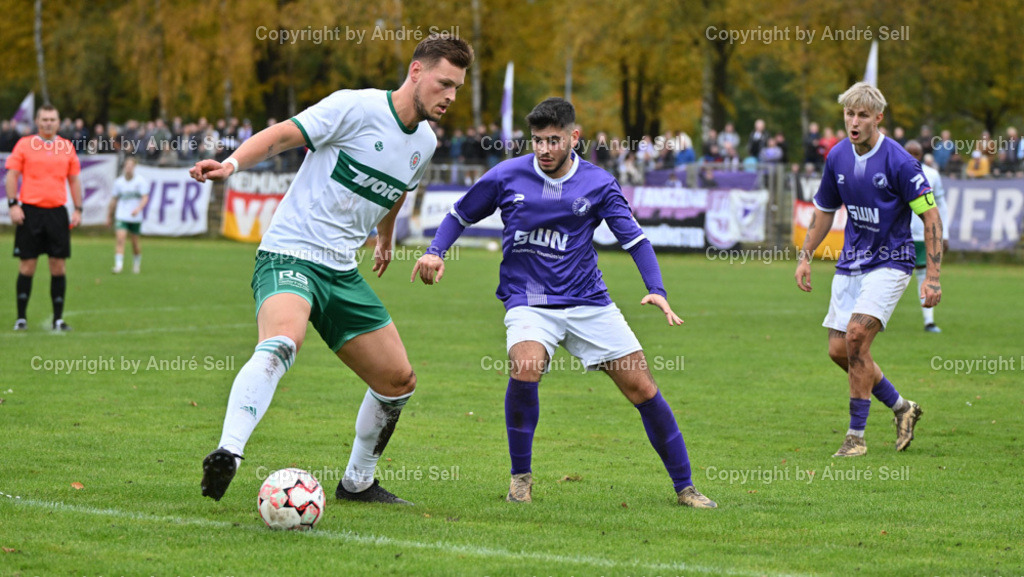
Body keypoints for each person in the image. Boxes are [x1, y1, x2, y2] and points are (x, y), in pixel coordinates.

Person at [188, 34, 474, 504]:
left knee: (397, 381)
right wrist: (232, 164)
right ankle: (229, 452)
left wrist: (385, 236)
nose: (450, 97)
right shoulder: (355, 107)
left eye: (458, 88)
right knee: (282, 342)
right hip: (291, 254)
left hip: (341, 271)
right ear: (416, 72)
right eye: (445, 83)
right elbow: (284, 134)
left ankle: (357, 483)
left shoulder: (425, 142)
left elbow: (399, 187)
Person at [412, 98, 717, 508]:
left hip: (588, 300)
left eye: (554, 140)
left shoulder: (598, 183)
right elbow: (458, 214)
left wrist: (656, 289)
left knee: (642, 388)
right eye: (538, 140)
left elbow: (636, 240)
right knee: (526, 365)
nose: (544, 149)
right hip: (529, 300)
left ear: (574, 137)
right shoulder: (507, 175)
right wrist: (436, 250)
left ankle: (686, 487)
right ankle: (521, 478)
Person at [795, 82, 941, 458]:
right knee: (839, 350)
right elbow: (825, 211)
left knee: (857, 336)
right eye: (849, 114)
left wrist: (934, 276)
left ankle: (856, 437)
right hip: (851, 263)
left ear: (878, 118)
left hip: (892, 261)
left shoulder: (900, 162)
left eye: (862, 115)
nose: (854, 121)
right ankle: (902, 407)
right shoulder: (837, 156)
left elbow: (931, 217)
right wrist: (806, 254)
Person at [5, 104, 82, 332]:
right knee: (27, 266)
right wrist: (13, 204)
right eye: (44, 119)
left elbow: (74, 180)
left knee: (58, 266)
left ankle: (58, 319)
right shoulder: (25, 144)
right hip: (30, 212)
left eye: (52, 119)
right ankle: (21, 318)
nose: (48, 123)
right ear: (37, 122)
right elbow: (12, 175)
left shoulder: (67, 147)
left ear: (58, 122)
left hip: (57, 212)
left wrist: (78, 208)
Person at [904, 141, 948, 332]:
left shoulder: (931, 174)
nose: (913, 157)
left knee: (924, 274)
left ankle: (928, 320)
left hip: (924, 235)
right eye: (909, 153)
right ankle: (877, 317)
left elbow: (940, 204)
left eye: (916, 153)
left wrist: (943, 233)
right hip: (900, 233)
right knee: (892, 274)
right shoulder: (895, 173)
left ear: (921, 155)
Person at [107, 156, 149, 274]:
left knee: (135, 243)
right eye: (126, 165)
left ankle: (136, 264)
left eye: (130, 166)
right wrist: (109, 215)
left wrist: (138, 209)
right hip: (122, 215)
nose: (128, 168)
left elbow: (145, 197)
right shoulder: (119, 182)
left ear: (134, 167)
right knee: (120, 239)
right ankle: (118, 266)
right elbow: (114, 200)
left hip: (135, 217)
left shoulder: (140, 181)